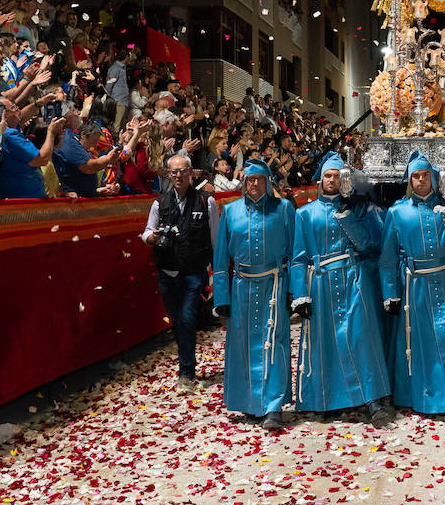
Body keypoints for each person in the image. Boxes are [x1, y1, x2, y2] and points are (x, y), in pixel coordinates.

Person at [289, 152, 395, 426]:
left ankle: (372, 400)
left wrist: (348, 217)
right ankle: (327, 399)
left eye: (337, 176)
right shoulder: (304, 214)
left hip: (354, 279)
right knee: (325, 342)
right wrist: (300, 293)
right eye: (327, 175)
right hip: (321, 283)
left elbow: (372, 244)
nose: (332, 180)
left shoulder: (359, 209)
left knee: (362, 337)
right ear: (320, 180)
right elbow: (298, 258)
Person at [379, 150, 445, 423]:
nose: (421, 180)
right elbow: (387, 259)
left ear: (434, 179)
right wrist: (390, 293)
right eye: (416, 176)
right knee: (420, 344)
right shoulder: (397, 212)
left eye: (425, 175)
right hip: (415, 287)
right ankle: (422, 397)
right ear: (409, 180)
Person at [212, 158, 295, 429]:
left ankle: (273, 406)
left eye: (259, 179)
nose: (254, 184)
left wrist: (296, 292)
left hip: (274, 284)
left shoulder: (284, 209)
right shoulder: (231, 211)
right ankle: (250, 403)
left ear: (268, 182)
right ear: (243, 183)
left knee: (276, 343)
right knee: (244, 345)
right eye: (249, 180)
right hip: (241, 289)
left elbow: (296, 253)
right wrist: (221, 298)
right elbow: (222, 257)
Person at [144, 154, 219, 390]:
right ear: (168, 175)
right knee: (177, 321)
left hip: (193, 270)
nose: (178, 176)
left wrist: (216, 274)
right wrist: (151, 238)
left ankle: (186, 371)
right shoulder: (160, 202)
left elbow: (215, 239)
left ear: (191, 173)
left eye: (182, 171)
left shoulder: (206, 202)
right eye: (174, 172)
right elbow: (146, 231)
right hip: (167, 271)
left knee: (187, 318)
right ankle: (186, 363)